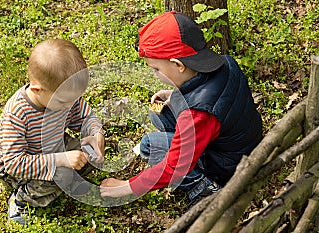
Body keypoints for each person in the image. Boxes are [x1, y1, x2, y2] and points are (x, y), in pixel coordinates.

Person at [100, 11, 262, 206]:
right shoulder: (226, 62)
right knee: (157, 112)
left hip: (229, 165)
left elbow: (174, 166)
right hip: (239, 143)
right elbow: (218, 96)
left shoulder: (199, 113)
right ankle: (184, 144)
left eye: (156, 70)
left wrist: (126, 186)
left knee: (149, 145)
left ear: (178, 65)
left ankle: (204, 187)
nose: (155, 75)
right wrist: (176, 96)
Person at [0, 39, 105, 224]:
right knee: (63, 173)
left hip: (53, 147)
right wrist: (61, 160)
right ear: (37, 89)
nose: (69, 107)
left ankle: (63, 181)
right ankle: (22, 199)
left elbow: (85, 117)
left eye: (74, 100)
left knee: (89, 156)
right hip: (21, 168)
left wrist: (96, 134)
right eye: (63, 103)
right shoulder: (17, 114)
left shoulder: (64, 98)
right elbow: (14, 164)